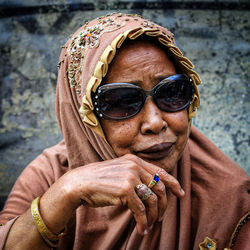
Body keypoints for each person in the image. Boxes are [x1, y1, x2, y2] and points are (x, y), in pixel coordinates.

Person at [0, 13, 249, 250]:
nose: (155, 122)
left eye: (171, 93)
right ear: (84, 117)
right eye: (122, 101)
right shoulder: (51, 174)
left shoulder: (225, 194)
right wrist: (66, 194)